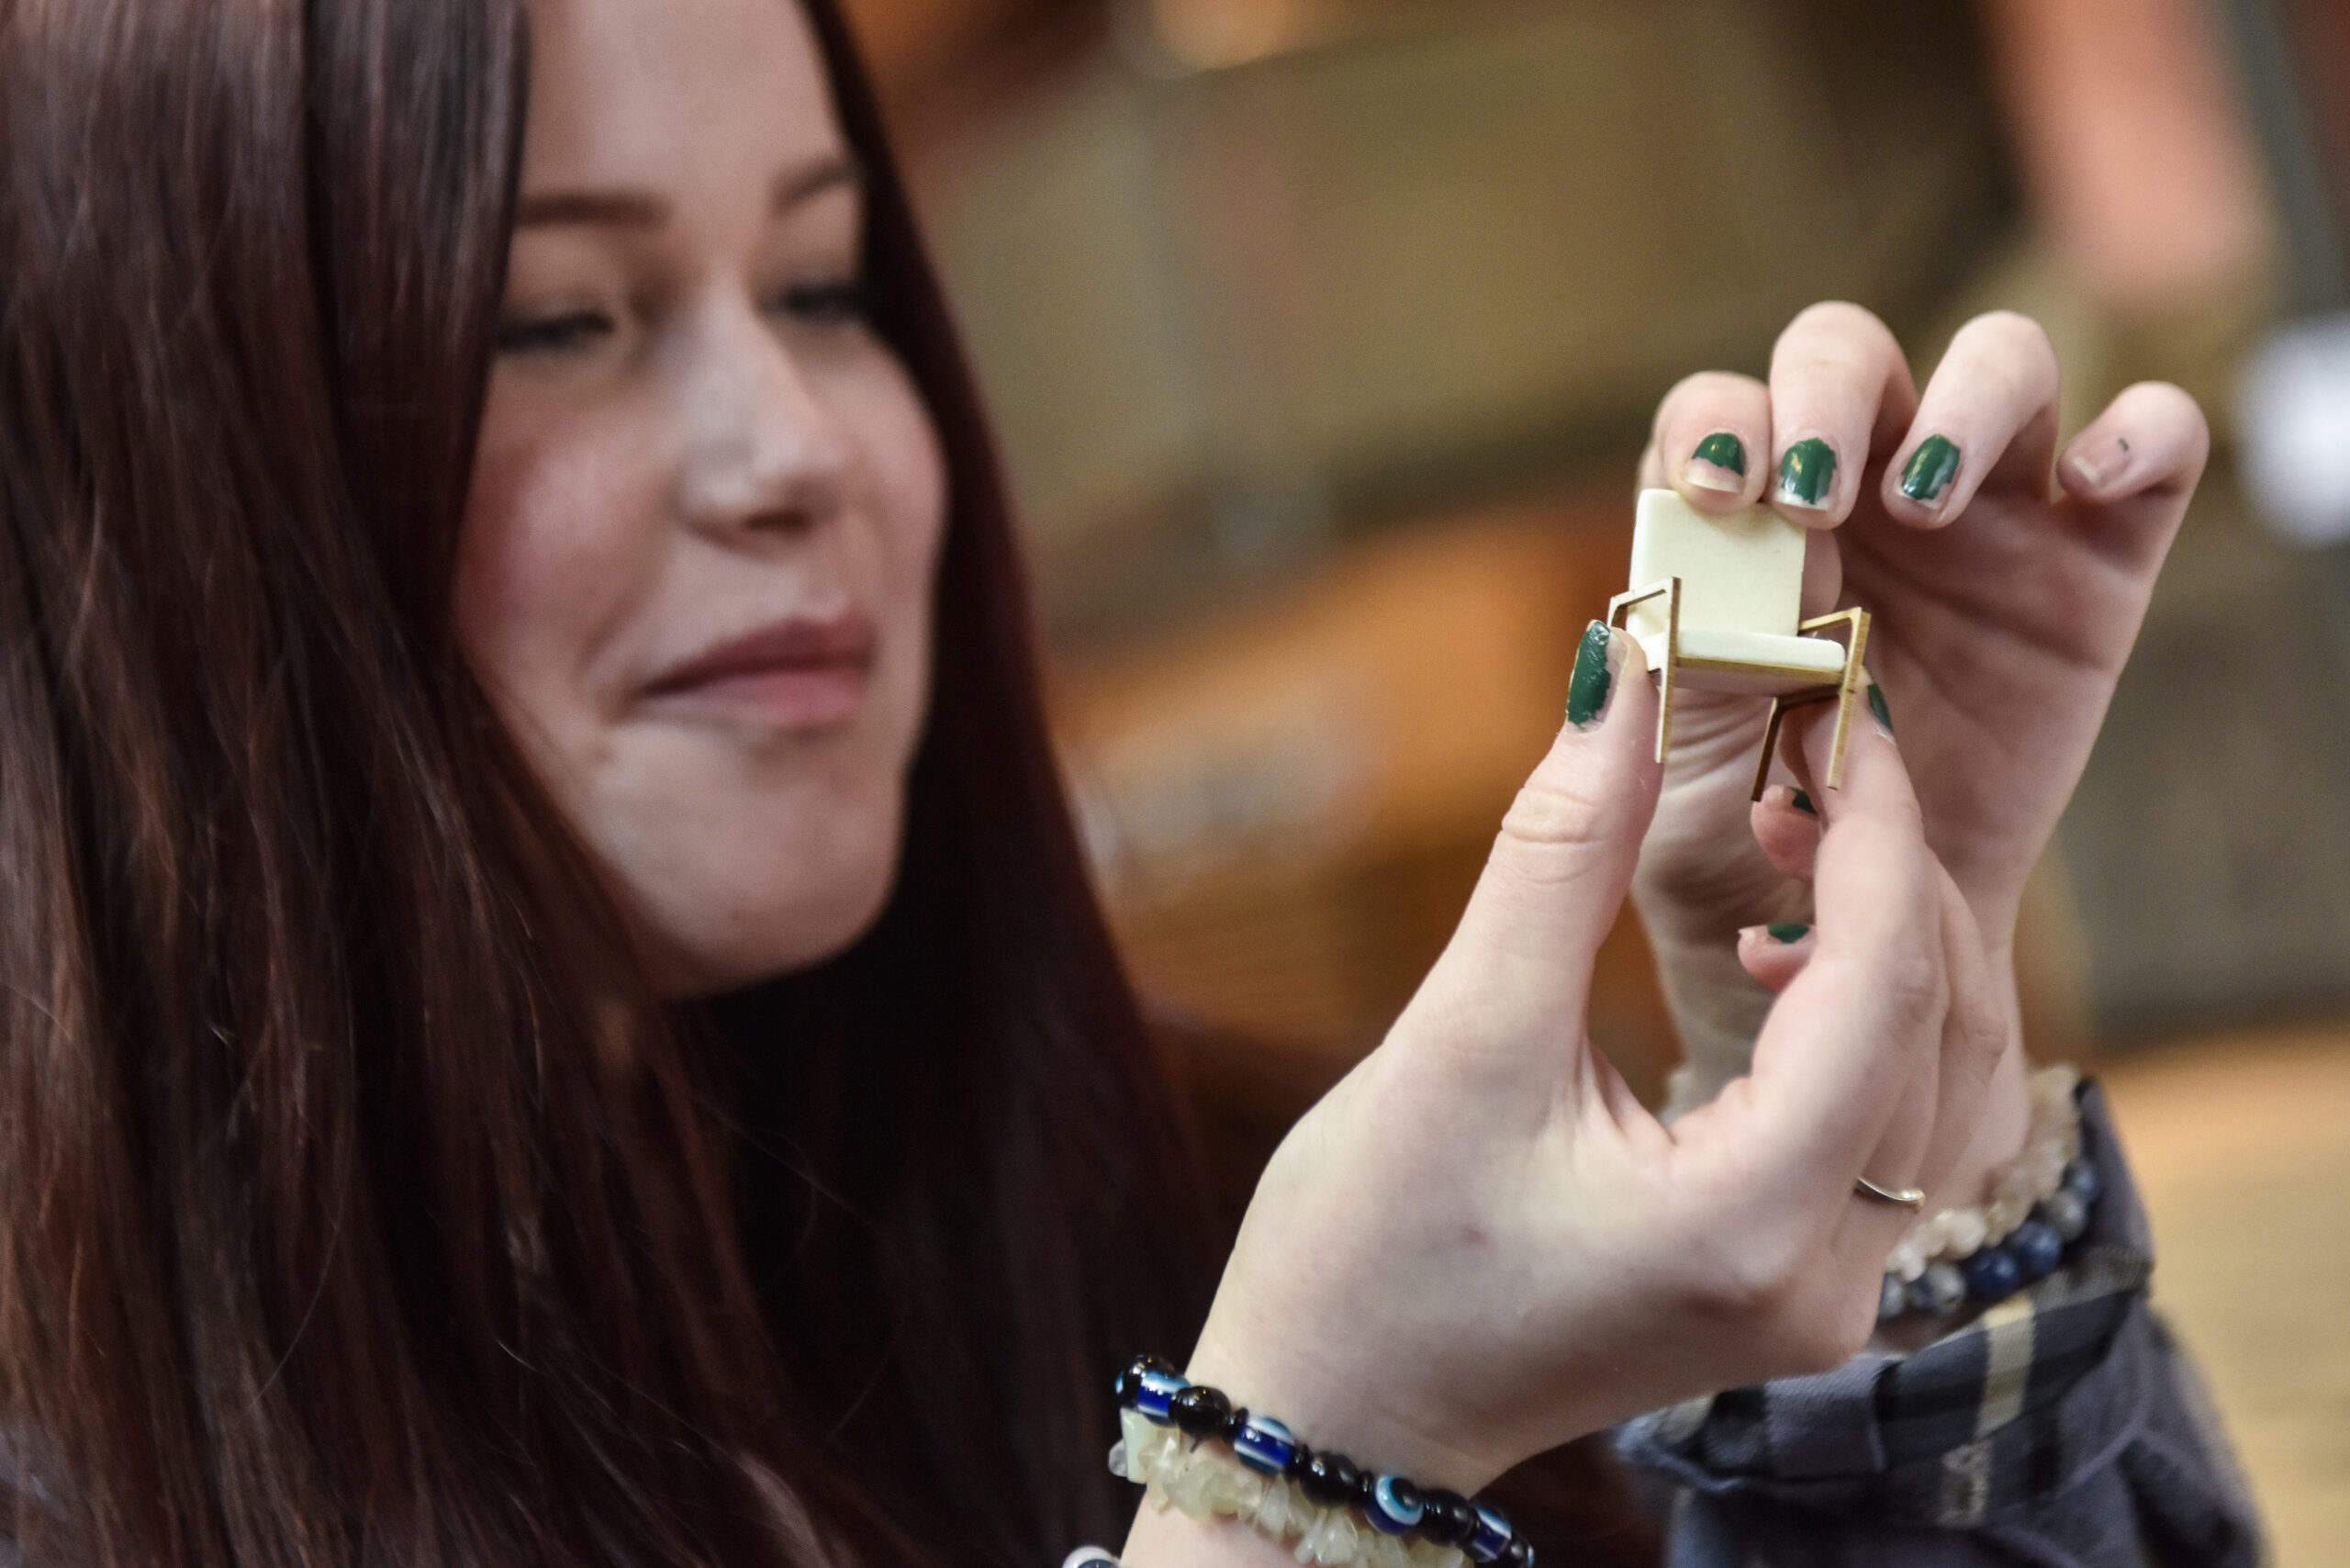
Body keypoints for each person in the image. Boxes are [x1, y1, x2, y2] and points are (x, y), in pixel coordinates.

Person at [0, 4, 2256, 1568]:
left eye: (823, 281)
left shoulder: (1178, 1197)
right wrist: (1305, 1471)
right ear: (167, 473)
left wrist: (1866, 1112)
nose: (799, 450)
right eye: (559, 320)